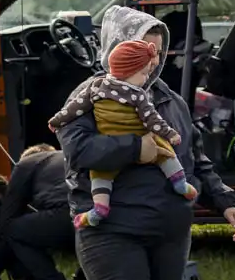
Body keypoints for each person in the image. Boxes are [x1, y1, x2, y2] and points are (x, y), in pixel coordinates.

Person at [57, 8, 235, 280]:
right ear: (117, 47)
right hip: (111, 226)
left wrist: (225, 199)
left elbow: (195, 160)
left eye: (159, 51)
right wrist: (134, 149)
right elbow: (75, 152)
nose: (154, 59)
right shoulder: (90, 95)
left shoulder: (169, 101)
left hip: (169, 226)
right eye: (145, 49)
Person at [48, 37, 197, 226]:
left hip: (110, 138)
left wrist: (56, 121)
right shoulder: (138, 94)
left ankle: (99, 209)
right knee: (165, 151)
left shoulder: (96, 87)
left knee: (100, 175)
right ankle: (179, 182)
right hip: (140, 136)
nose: (146, 78)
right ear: (129, 71)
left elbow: (74, 109)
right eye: (143, 73)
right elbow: (152, 120)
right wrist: (170, 134)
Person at [0, 143, 79, 280]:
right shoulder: (68, 154)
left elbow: (7, 217)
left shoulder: (26, 164)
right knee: (87, 238)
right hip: (103, 213)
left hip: (67, 214)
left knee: (12, 231)